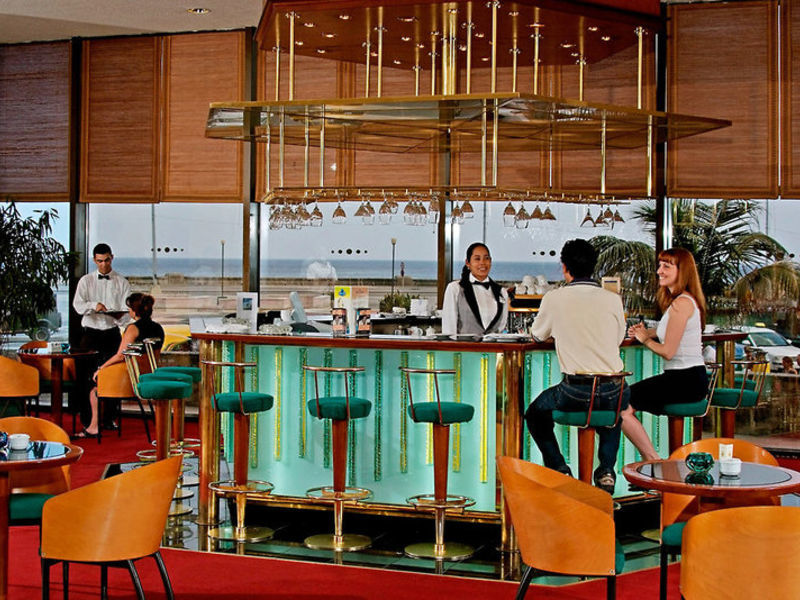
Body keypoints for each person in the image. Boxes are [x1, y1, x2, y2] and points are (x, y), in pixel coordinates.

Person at [524, 239, 629, 494]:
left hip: (576, 392)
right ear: (594, 266)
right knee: (613, 412)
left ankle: (559, 469)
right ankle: (606, 470)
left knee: (535, 414)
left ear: (564, 267)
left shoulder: (555, 298)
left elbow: (536, 335)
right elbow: (618, 339)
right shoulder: (612, 299)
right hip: (616, 387)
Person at [622, 247, 708, 461]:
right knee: (622, 401)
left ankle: (653, 460)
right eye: (660, 265)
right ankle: (654, 461)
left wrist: (645, 339)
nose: (659, 271)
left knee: (620, 405)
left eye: (666, 266)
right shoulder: (683, 301)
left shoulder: (681, 304)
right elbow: (668, 330)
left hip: (685, 380)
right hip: (686, 378)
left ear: (682, 271)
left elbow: (668, 352)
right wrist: (646, 332)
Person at [76, 293, 164, 438]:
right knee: (104, 379)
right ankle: (107, 420)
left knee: (94, 387)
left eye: (129, 309)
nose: (128, 311)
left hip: (131, 376)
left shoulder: (133, 328)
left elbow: (121, 355)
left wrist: (101, 368)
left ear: (134, 311)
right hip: (147, 375)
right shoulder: (158, 328)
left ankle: (93, 427)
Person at [72, 243, 131, 430]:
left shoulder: (122, 282)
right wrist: (93, 305)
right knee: (86, 377)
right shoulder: (86, 281)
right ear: (94, 260)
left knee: (112, 376)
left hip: (111, 334)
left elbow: (127, 313)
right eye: (100, 261)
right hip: (90, 335)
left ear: (112, 258)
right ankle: (88, 420)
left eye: (106, 260)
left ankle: (109, 419)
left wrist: (119, 316)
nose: (104, 265)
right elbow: (77, 305)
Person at [441, 242, 508, 335]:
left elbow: (501, 327)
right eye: (477, 259)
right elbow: (449, 329)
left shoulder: (502, 292)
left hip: (492, 345)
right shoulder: (455, 288)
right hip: (464, 345)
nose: (482, 263)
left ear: (490, 261)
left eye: (486, 258)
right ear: (468, 263)